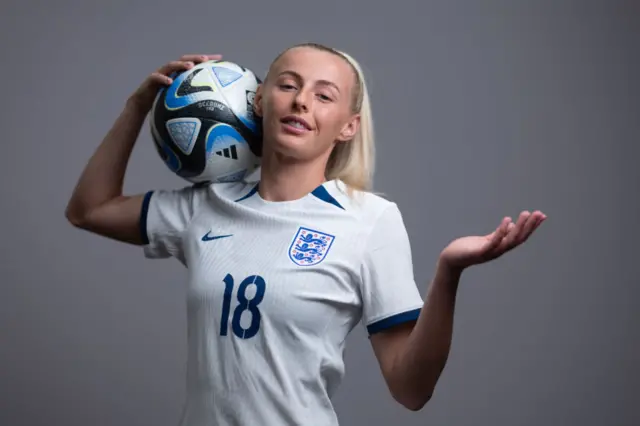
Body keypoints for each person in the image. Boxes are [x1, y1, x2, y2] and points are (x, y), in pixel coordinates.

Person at [65, 42, 546, 425]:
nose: (301, 101)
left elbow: (410, 389)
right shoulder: (206, 206)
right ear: (258, 99)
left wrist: (448, 272)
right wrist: (138, 106)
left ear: (348, 126)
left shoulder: (368, 221)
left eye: (324, 95)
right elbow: (90, 209)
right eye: (288, 85)